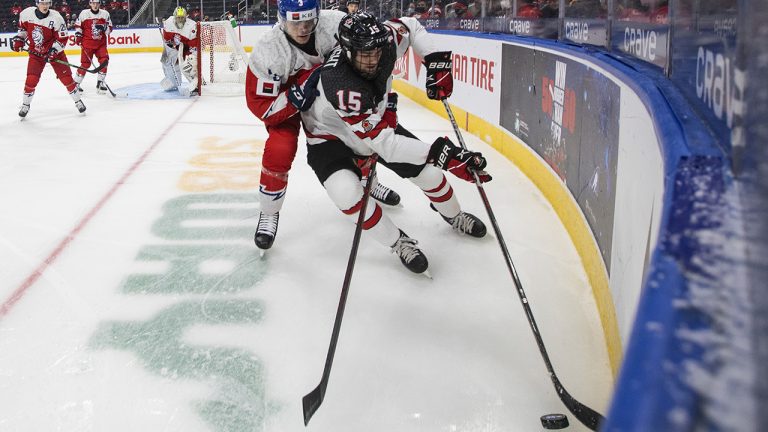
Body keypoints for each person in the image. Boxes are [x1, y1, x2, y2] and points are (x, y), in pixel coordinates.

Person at [296, 13, 490, 274]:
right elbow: (384, 145)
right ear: (347, 50)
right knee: (346, 194)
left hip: (372, 123)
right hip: (329, 136)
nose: (373, 60)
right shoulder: (341, 84)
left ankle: (454, 215)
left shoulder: (384, 41)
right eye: (364, 54)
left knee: (430, 175)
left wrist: (435, 60)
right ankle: (398, 242)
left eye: (376, 51)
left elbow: (411, 26)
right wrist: (444, 154)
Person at [244, 0, 401, 252]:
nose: (303, 28)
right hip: (291, 106)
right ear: (282, 19)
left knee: (361, 134)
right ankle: (269, 211)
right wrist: (297, 94)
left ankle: (367, 183)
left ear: (318, 15)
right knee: (279, 148)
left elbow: (374, 51)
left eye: (308, 20)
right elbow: (262, 105)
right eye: (295, 21)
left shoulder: (336, 23)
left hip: (333, 99)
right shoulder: (268, 50)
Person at [11, 0, 86, 118]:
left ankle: (78, 101)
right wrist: (19, 39)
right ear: (37, 3)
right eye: (43, 3)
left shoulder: (56, 17)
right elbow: (23, 30)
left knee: (67, 79)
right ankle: (25, 105)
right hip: (36, 54)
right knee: (31, 79)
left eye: (47, 3)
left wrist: (54, 50)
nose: (45, 6)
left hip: (55, 54)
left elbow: (62, 38)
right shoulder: (26, 14)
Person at [73, 0, 112, 94]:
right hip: (87, 44)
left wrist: (105, 27)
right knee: (85, 64)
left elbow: (109, 30)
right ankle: (76, 84)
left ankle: (100, 83)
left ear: (99, 4)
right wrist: (78, 36)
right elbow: (78, 26)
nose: (95, 5)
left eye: (97, 3)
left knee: (104, 62)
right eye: (93, 3)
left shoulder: (105, 14)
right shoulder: (84, 13)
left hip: (100, 44)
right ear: (90, 4)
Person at [160, 6, 199, 96]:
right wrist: (170, 44)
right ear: (174, 17)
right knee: (166, 63)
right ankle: (173, 81)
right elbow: (166, 39)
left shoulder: (192, 26)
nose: (180, 20)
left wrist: (191, 57)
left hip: (186, 48)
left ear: (186, 17)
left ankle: (196, 84)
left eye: (182, 18)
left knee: (189, 66)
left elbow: (193, 45)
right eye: (178, 18)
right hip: (172, 47)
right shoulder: (168, 23)